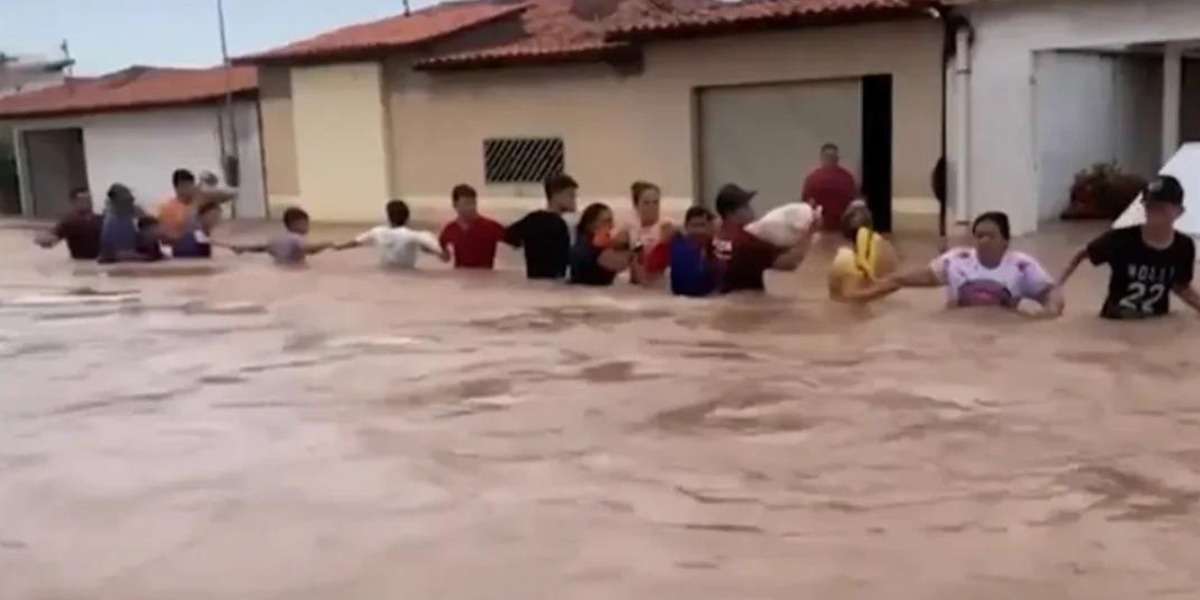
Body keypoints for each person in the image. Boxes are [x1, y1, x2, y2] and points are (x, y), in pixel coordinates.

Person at [864, 212, 1063, 315]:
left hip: (1004, 333)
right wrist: (864, 293)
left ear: (1005, 240)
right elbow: (903, 280)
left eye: (990, 236)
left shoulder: (1022, 266)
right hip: (955, 330)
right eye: (979, 236)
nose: (983, 241)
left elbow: (1051, 294)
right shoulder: (955, 260)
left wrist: (1047, 314)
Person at [1058, 175, 1200, 319]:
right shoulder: (1120, 239)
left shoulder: (1184, 246)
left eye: (1161, 207)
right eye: (1150, 206)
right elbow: (1081, 255)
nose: (1154, 212)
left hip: (1154, 322)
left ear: (1179, 211)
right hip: (1115, 321)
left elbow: (1180, 286)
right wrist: (1056, 287)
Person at [713, 183, 815, 294]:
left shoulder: (717, 235)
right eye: (746, 206)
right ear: (730, 213)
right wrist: (809, 233)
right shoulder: (746, 242)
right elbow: (789, 264)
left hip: (725, 297)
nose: (751, 210)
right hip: (749, 304)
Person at [504, 173, 577, 280]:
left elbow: (508, 236)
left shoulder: (532, 219)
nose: (574, 200)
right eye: (570, 195)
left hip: (534, 282)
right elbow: (565, 259)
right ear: (556, 196)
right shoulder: (558, 224)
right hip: (554, 283)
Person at [335, 199, 448, 268]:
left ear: (388, 217)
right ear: (407, 217)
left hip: (383, 274)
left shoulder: (377, 232)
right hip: (409, 276)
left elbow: (354, 243)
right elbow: (444, 256)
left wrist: (335, 246)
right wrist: (434, 252)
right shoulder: (416, 235)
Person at [828, 200, 898, 302]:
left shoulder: (844, 258)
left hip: (847, 311)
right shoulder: (886, 247)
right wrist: (887, 287)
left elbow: (849, 297)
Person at [233, 207, 331, 265]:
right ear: (295, 224)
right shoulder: (296, 238)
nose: (308, 227)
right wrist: (326, 244)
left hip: (278, 267)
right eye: (305, 223)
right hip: (296, 270)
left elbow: (262, 248)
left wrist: (243, 248)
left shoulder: (277, 238)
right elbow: (308, 249)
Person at [439, 184, 505, 269]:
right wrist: (436, 252)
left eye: (473, 203)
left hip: (485, 278)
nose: (471, 207)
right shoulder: (450, 229)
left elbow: (515, 241)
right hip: (460, 277)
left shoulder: (490, 226)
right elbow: (445, 257)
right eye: (466, 203)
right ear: (455, 205)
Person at [622, 181, 674, 285]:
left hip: (660, 286)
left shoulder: (666, 227)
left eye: (655, 202)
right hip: (635, 287)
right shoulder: (629, 229)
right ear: (636, 205)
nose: (652, 207)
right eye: (646, 203)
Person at [568, 202, 633, 286]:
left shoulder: (581, 242)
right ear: (591, 225)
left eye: (611, 221)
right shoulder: (588, 248)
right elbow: (620, 263)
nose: (612, 225)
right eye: (606, 221)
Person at [802, 143, 858, 232]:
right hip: (822, 228)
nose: (832, 159)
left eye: (833, 156)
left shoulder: (847, 178)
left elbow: (854, 204)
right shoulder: (813, 178)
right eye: (829, 156)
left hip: (840, 228)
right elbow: (808, 206)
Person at [34, 187, 101, 259]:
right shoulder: (70, 221)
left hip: (101, 261)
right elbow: (50, 240)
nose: (87, 202)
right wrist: (44, 238)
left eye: (89, 199)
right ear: (74, 202)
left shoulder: (100, 218)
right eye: (83, 200)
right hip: (82, 262)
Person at [98, 184, 156, 263]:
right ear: (116, 201)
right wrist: (141, 257)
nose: (132, 202)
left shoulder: (131, 214)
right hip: (121, 266)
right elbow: (110, 254)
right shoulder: (110, 222)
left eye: (131, 200)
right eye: (128, 200)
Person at [669, 206, 719, 297]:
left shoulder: (715, 247)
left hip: (709, 302)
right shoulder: (677, 246)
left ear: (709, 227)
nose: (699, 230)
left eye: (702, 225)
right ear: (686, 226)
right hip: (680, 302)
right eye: (694, 225)